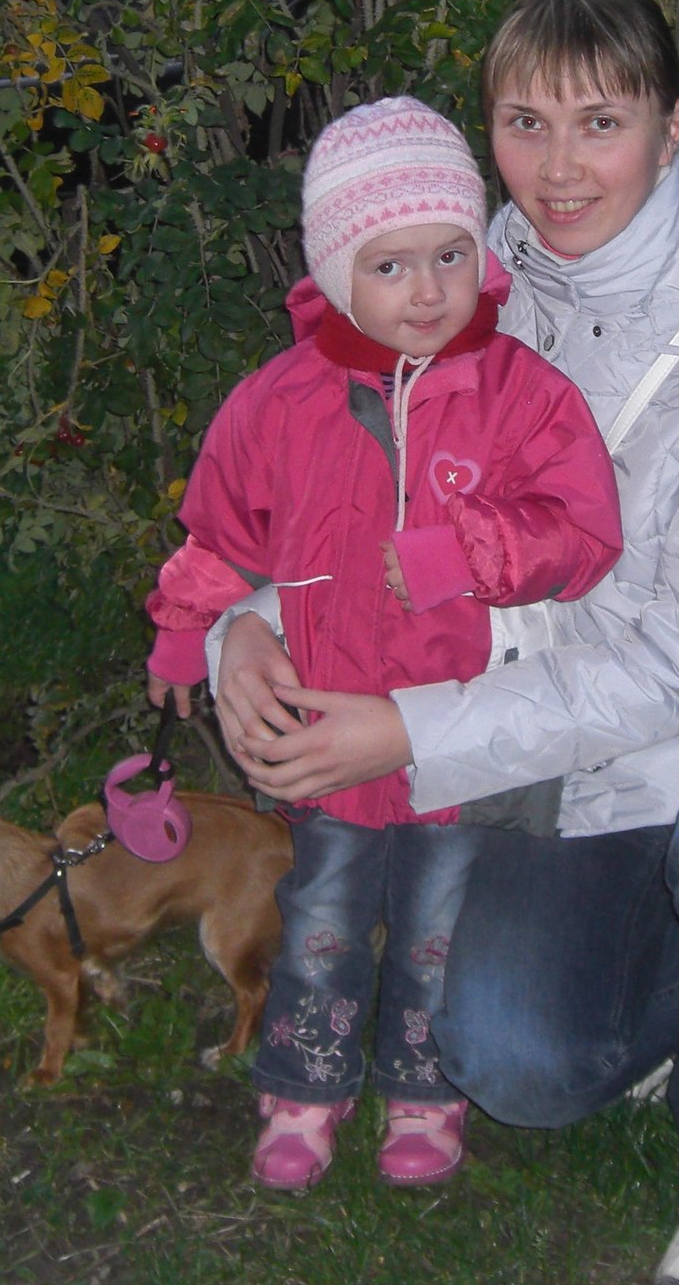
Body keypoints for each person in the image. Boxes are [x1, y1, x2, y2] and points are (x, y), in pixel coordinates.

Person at [209, 0, 679, 1285]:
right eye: (525, 124)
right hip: (549, 758)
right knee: (517, 1068)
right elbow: (332, 493)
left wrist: (407, 732)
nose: (560, 169)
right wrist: (246, 624)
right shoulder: (460, 284)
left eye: (602, 123)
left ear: (673, 123)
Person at [142, 95, 624, 1193]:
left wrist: (469, 554)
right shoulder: (277, 405)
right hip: (328, 736)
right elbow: (222, 535)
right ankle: (304, 1084)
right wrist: (183, 633)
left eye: (449, 255)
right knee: (319, 916)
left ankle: (424, 1086)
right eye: (390, 266)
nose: (427, 292)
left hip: (456, 740)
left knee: (436, 929)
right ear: (334, 270)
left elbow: (585, 534)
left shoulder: (522, 396)